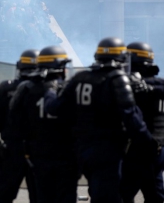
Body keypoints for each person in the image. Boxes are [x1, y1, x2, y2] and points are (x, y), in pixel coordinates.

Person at [42, 37, 159, 203]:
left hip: (81, 148)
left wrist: (51, 90)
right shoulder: (117, 79)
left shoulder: (80, 78)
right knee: (108, 197)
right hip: (108, 149)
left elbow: (55, 109)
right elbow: (130, 116)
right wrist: (148, 142)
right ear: (121, 58)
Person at [9, 46, 77, 203]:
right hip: (66, 156)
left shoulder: (26, 89)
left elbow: (14, 120)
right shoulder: (68, 88)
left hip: (37, 155)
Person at [0, 49, 38, 203]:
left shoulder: (5, 88)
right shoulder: (49, 90)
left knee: (2, 196)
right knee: (41, 196)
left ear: (19, 68)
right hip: (40, 153)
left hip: (12, 151)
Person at [120, 42, 164, 203]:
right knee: (155, 194)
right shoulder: (157, 84)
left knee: (123, 194)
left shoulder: (134, 87)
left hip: (139, 149)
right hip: (156, 150)